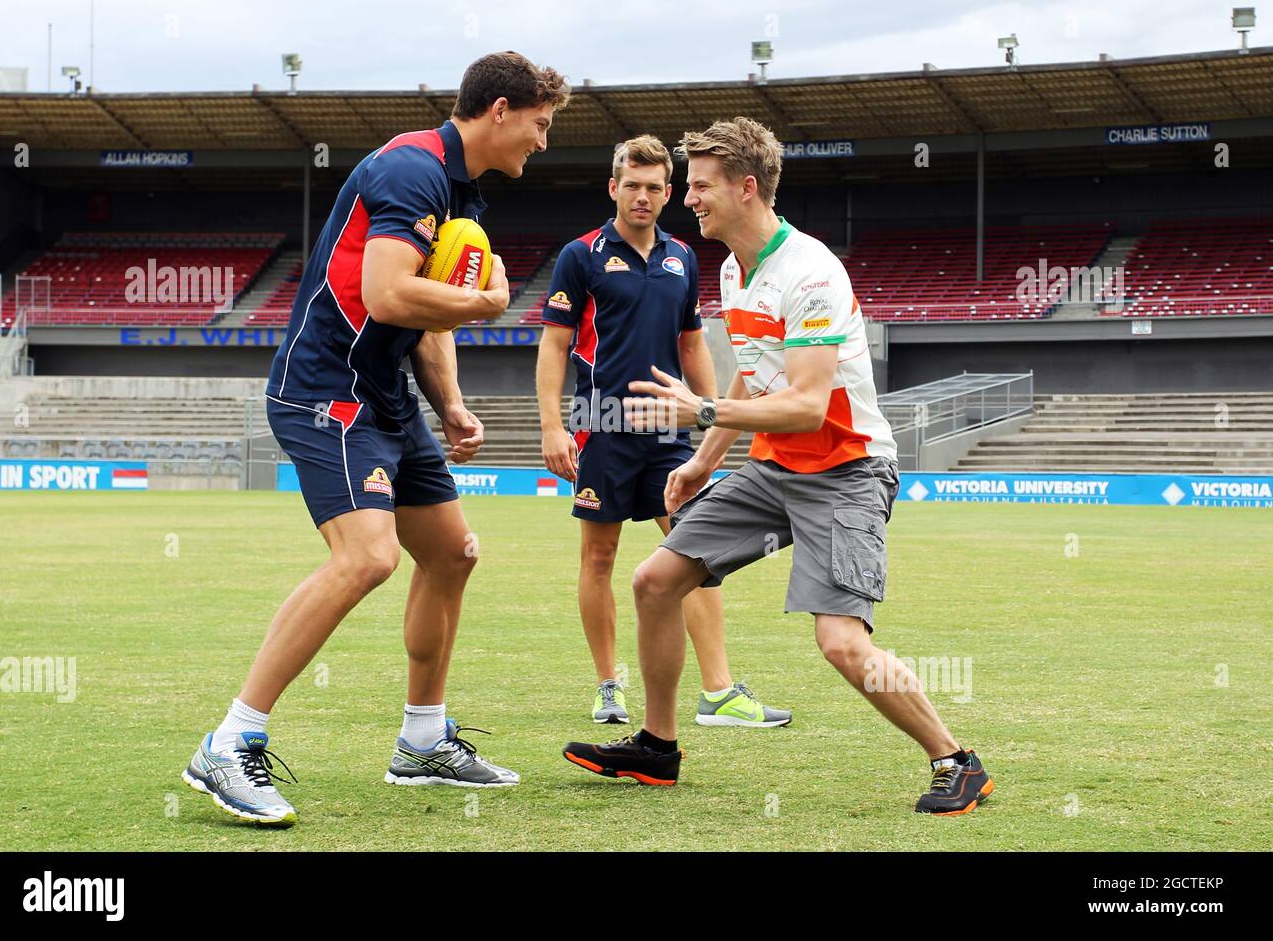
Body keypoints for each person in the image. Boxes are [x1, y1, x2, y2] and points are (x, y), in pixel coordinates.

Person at [564, 117, 993, 815]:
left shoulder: (812, 273)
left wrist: (700, 416)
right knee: (655, 581)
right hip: (775, 466)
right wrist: (704, 461)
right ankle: (657, 746)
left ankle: (957, 760)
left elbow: (805, 406)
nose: (688, 199)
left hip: (848, 469)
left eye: (700, 186)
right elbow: (753, 378)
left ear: (746, 187)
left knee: (840, 642)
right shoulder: (735, 269)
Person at [183, 52, 570, 825]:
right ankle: (230, 742)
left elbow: (421, 319)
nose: (543, 141)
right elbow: (388, 293)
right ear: (500, 110)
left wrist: (452, 403)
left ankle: (422, 742)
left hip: (385, 398)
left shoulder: (461, 194)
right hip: (326, 390)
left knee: (452, 552)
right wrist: (485, 303)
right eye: (540, 123)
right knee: (367, 557)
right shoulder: (410, 169)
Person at [537, 135, 791, 729]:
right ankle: (608, 684)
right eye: (633, 186)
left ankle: (720, 693)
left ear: (668, 192)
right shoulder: (582, 255)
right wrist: (552, 425)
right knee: (598, 556)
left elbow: (692, 342)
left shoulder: (683, 256)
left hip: (670, 428)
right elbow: (554, 343)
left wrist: (709, 414)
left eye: (655, 187)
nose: (644, 197)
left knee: (696, 549)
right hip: (599, 425)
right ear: (614, 188)